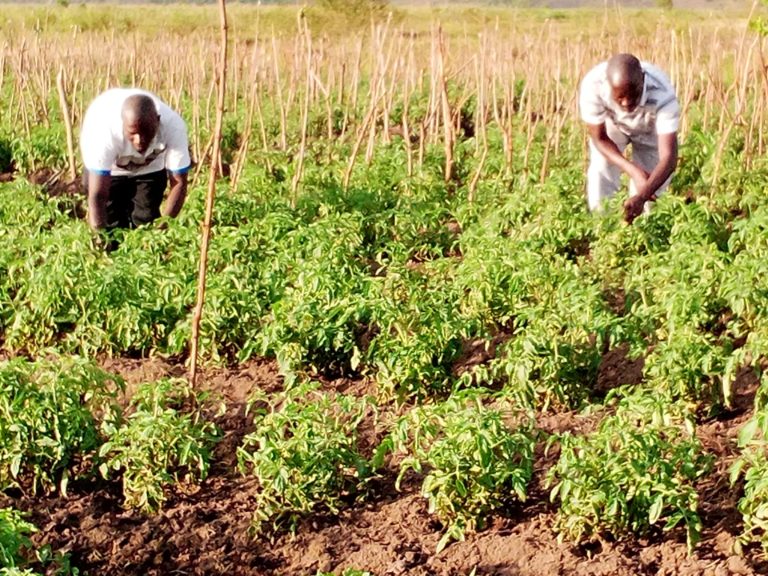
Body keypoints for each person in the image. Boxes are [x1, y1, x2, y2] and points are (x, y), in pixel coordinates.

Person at [579, 53, 680, 223]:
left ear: (643, 81)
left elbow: (669, 158)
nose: (626, 103)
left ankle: (646, 232)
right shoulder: (593, 86)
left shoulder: (663, 94)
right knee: (601, 168)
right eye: (619, 97)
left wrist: (642, 195)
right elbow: (600, 139)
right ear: (608, 86)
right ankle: (603, 225)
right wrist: (633, 171)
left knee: (653, 188)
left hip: (651, 127)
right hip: (613, 124)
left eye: (633, 95)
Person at [80, 88, 191, 235]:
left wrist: (160, 230)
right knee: (110, 220)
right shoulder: (103, 131)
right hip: (111, 169)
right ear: (122, 124)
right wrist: (100, 236)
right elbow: (98, 195)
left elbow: (179, 183)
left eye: (146, 132)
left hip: (150, 165)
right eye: (133, 133)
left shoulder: (173, 126)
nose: (139, 140)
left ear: (157, 121)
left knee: (146, 218)